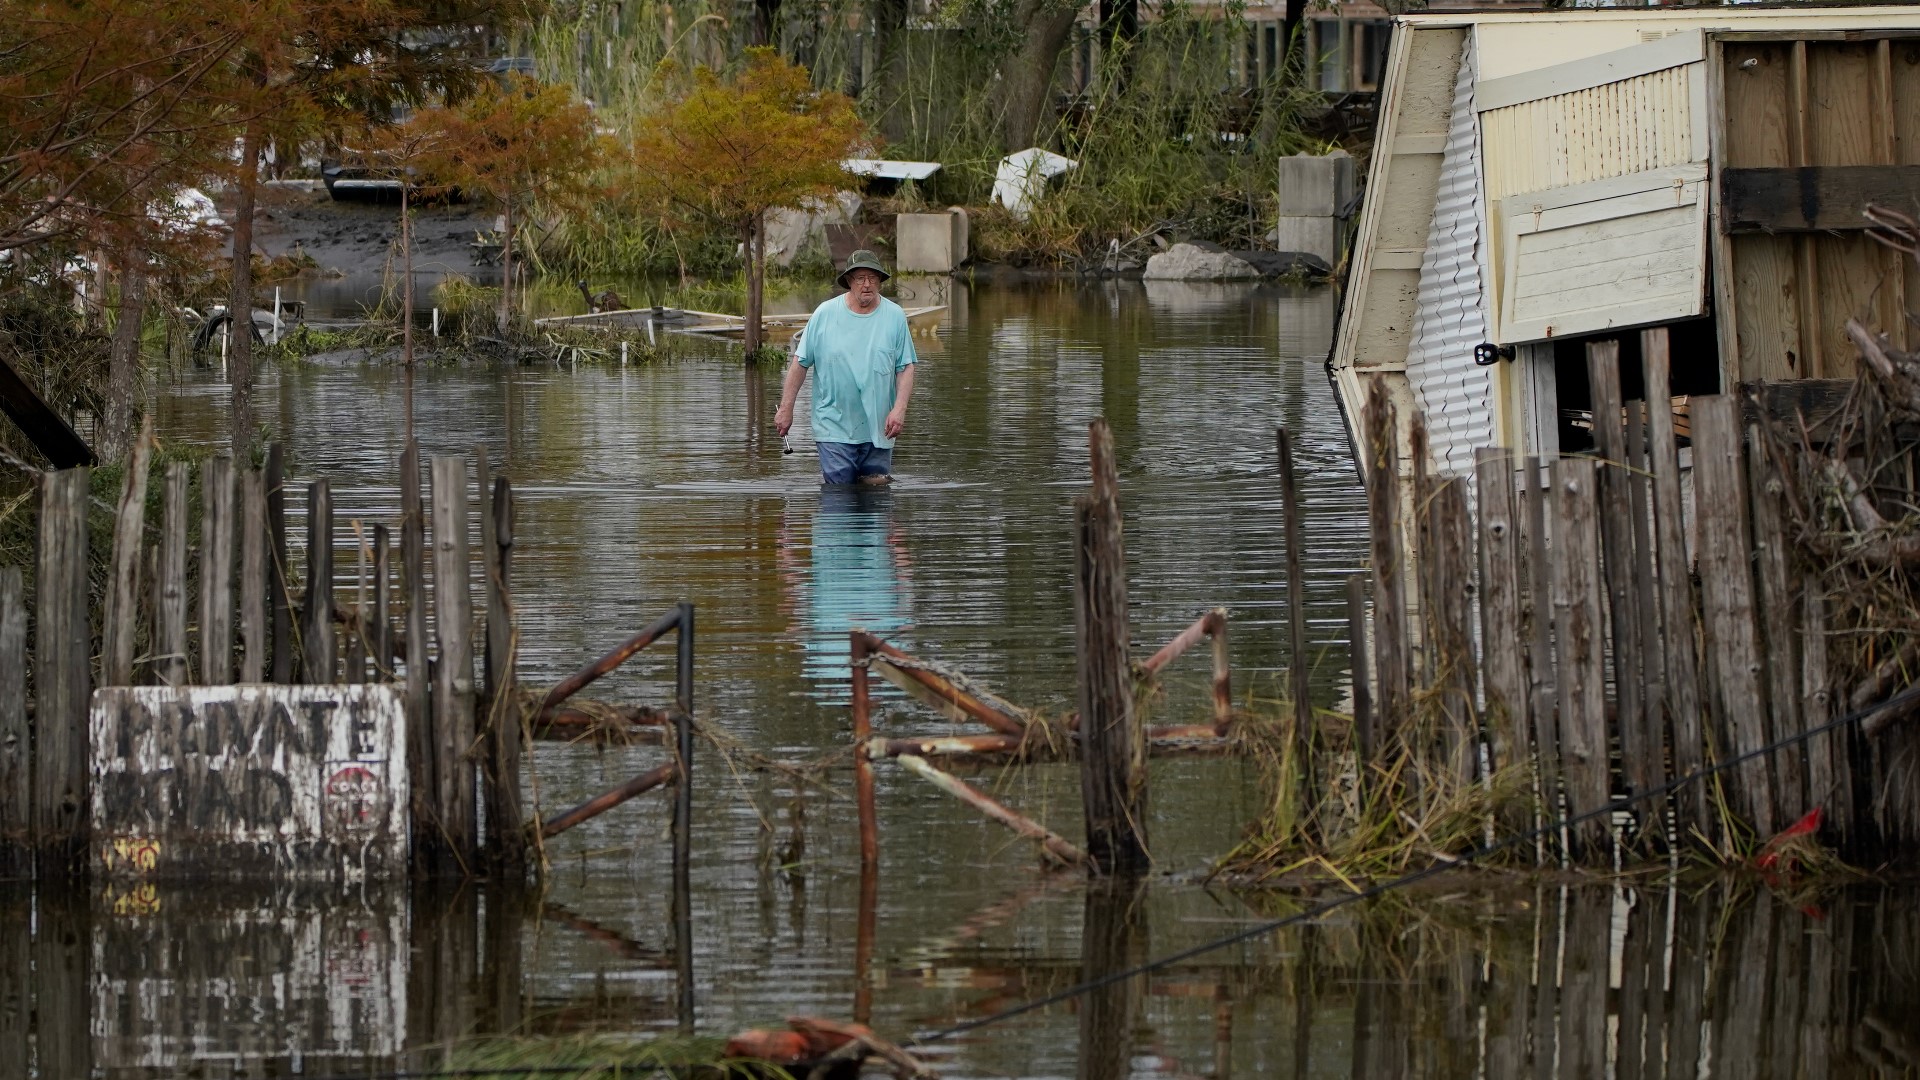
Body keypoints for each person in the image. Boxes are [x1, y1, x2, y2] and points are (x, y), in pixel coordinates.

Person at [774, 250, 917, 485]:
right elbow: (800, 363)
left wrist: (899, 409)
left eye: (873, 278)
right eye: (860, 278)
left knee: (876, 492)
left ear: (880, 281)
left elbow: (905, 367)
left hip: (880, 426)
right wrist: (786, 408)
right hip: (833, 426)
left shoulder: (895, 316)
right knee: (840, 492)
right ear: (849, 281)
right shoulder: (825, 314)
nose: (867, 284)